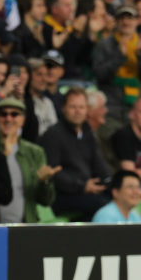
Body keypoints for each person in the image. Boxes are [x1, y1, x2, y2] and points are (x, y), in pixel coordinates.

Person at [0, 98, 58, 223]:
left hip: (25, 225)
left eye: (14, 114)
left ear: (22, 120)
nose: (8, 118)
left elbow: (46, 200)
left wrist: (45, 182)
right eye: (3, 114)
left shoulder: (35, 152)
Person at [40, 87, 111, 217]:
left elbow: (99, 164)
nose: (78, 111)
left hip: (86, 189)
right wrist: (82, 186)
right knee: (102, 204)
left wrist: (112, 183)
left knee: (118, 197)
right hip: (62, 195)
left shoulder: (87, 132)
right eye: (73, 107)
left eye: (81, 107)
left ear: (87, 110)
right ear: (63, 108)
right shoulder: (53, 135)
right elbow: (53, 173)